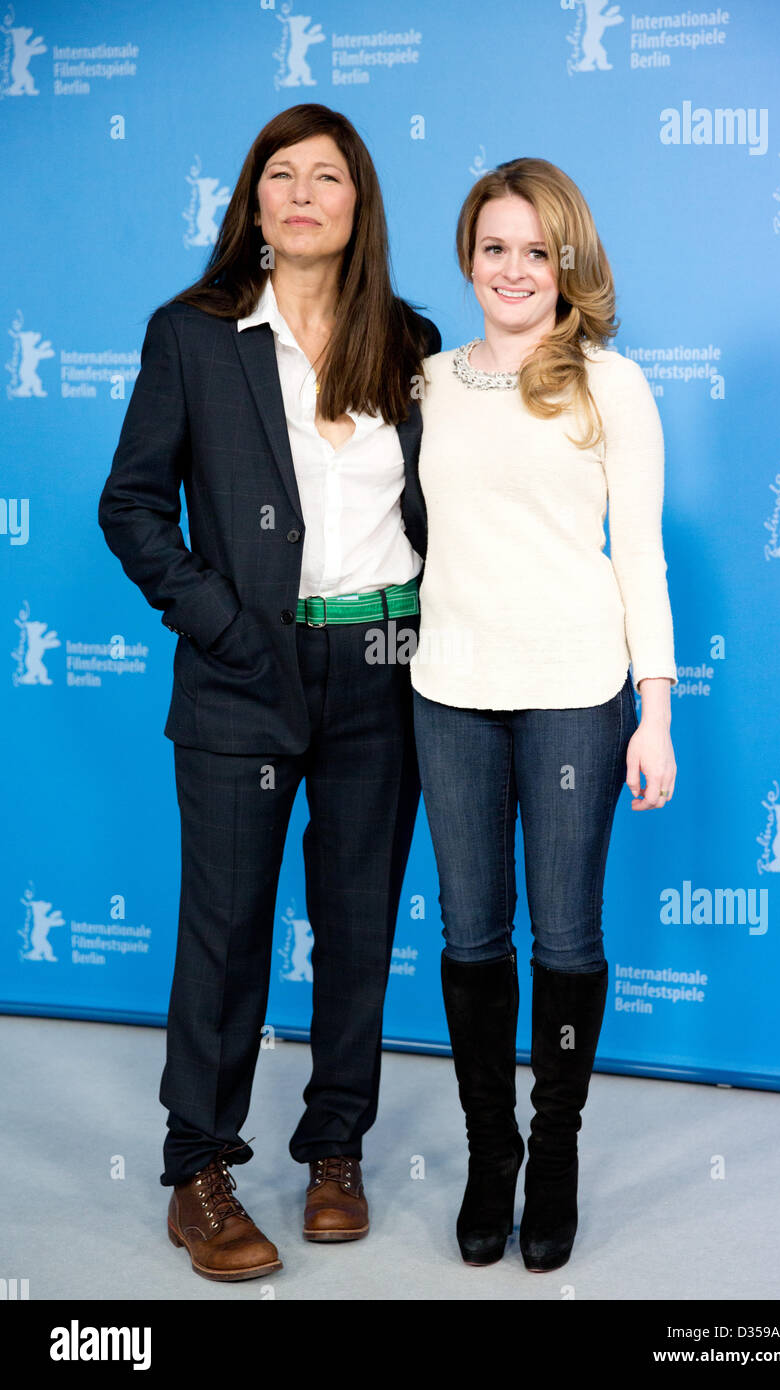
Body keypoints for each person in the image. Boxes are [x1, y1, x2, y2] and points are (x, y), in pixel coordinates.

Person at [98, 103, 440, 1282]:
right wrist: (227, 628)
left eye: (327, 177)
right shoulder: (192, 334)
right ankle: (199, 1169)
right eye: (279, 175)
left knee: (356, 927)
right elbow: (132, 505)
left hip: (384, 669)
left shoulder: (408, 337)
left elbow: (441, 518)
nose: (302, 193)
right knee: (228, 927)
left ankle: (334, 1148)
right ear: (253, 202)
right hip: (246, 670)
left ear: (358, 204)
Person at [409, 157, 678, 1272]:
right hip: (449, 693)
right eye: (493, 248)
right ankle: (489, 1153)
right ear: (468, 258)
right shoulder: (426, 380)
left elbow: (643, 553)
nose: (512, 269)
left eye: (534, 249)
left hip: (577, 696)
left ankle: (553, 1148)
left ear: (565, 260)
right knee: (470, 935)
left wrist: (653, 714)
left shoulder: (610, 383)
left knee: (564, 938)